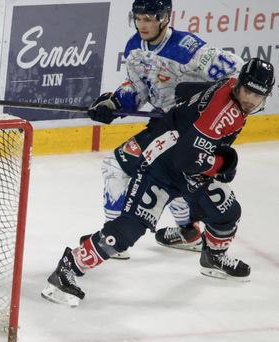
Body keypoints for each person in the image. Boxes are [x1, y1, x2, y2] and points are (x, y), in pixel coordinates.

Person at [43, 58, 274, 306]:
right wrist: (223, 164)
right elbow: (188, 158)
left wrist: (182, 114)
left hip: (186, 161)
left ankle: (213, 258)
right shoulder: (226, 113)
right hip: (162, 166)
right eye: (247, 91)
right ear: (239, 85)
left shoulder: (228, 85)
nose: (250, 99)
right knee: (128, 229)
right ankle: (69, 267)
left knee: (227, 212)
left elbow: (186, 90)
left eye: (257, 95)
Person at [87, 0, 243, 257]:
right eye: (139, 18)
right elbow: (138, 89)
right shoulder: (134, 47)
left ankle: (111, 239)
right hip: (165, 126)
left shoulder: (189, 49)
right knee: (172, 174)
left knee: (115, 166)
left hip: (190, 129)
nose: (142, 25)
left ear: (165, 18)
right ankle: (189, 232)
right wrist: (114, 102)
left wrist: (201, 96)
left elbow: (237, 72)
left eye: (149, 19)